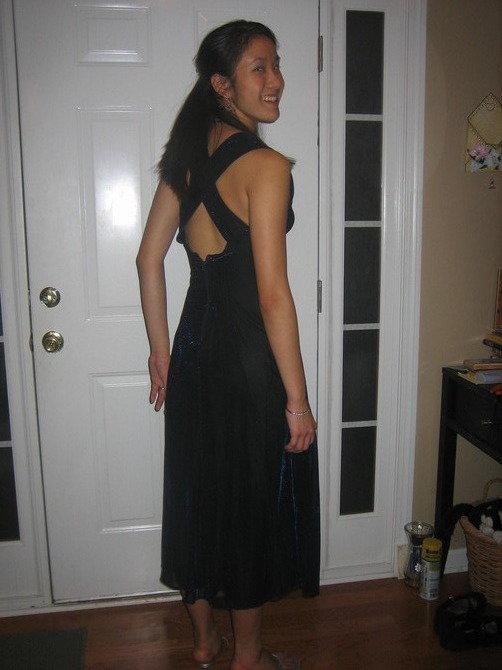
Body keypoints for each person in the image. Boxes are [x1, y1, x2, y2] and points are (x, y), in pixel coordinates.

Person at [136, 19, 320, 670]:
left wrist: (163, 354)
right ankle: (248, 658)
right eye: (259, 68)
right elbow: (273, 296)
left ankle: (203, 643)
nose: (277, 81)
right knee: (246, 507)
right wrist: (297, 400)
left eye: (276, 65)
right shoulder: (265, 167)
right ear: (222, 84)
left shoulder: (184, 164)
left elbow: (147, 260)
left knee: (199, 495)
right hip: (247, 362)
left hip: (194, 352)